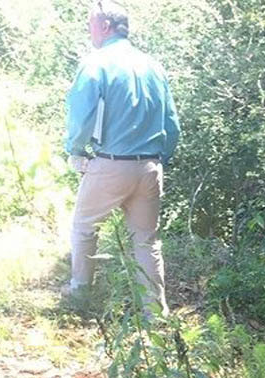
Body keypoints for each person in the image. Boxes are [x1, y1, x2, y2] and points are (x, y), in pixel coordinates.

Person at [65, 2, 180, 314]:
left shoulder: (96, 64)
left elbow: (81, 115)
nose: (89, 30)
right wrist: (158, 161)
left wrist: (75, 150)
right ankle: (155, 312)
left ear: (104, 25)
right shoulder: (154, 66)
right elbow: (172, 125)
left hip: (111, 164)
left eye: (90, 23)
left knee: (84, 227)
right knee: (147, 241)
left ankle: (80, 295)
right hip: (150, 167)